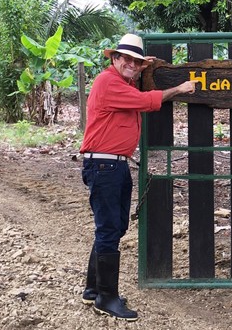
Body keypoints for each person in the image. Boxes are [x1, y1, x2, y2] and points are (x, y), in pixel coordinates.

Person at [78, 33, 196, 320]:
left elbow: (136, 88)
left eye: (136, 60)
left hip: (113, 165)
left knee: (114, 227)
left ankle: (93, 289)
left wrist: (142, 68)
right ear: (114, 58)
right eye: (126, 58)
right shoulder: (108, 82)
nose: (131, 64)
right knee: (108, 229)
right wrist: (180, 88)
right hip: (104, 166)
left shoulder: (120, 80)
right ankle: (106, 297)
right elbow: (146, 100)